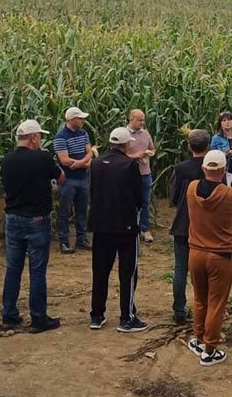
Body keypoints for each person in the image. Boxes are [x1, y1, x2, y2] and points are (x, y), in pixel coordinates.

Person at [0, 119, 65, 333]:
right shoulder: (42, 158)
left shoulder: (7, 160)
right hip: (36, 219)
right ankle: (38, 318)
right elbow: (61, 177)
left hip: (13, 218)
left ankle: (9, 314)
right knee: (37, 271)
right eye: (40, 137)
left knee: (13, 268)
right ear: (33, 137)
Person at [186, 150, 232, 367]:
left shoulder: (192, 188)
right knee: (216, 303)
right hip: (220, 255)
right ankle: (209, 349)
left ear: (204, 169)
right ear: (222, 170)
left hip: (195, 252)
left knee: (200, 298)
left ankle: (198, 337)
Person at [89, 127, 147, 333]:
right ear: (126, 144)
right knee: (128, 272)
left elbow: (94, 192)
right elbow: (138, 197)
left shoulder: (95, 163)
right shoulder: (129, 165)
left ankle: (97, 315)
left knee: (100, 271)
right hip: (125, 226)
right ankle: (127, 317)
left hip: (100, 226)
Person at [168, 129, 209, 324]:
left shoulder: (181, 168)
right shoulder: (214, 167)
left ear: (189, 146)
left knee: (181, 269)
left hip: (184, 224)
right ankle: (206, 308)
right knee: (206, 270)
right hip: (207, 226)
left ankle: (179, 311)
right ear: (208, 147)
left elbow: (173, 196)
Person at [53, 106, 93, 253]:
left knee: (82, 210)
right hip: (68, 179)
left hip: (82, 177)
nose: (82, 121)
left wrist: (81, 163)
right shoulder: (60, 137)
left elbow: (90, 152)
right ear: (71, 120)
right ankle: (64, 241)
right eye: (80, 118)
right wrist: (85, 162)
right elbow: (64, 161)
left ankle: (81, 239)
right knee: (64, 211)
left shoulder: (83, 133)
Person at [125, 109, 156, 243]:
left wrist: (150, 153)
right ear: (131, 119)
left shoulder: (145, 133)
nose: (142, 123)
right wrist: (135, 156)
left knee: (145, 201)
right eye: (139, 120)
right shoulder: (124, 134)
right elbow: (119, 155)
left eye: (143, 120)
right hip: (129, 174)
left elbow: (153, 148)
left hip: (145, 173)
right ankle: (129, 226)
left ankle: (145, 229)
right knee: (129, 201)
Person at [211, 111, 232, 183]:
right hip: (225, 169)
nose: (227, 122)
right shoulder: (216, 138)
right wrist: (226, 153)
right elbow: (213, 154)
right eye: (224, 120)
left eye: (229, 120)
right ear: (220, 123)